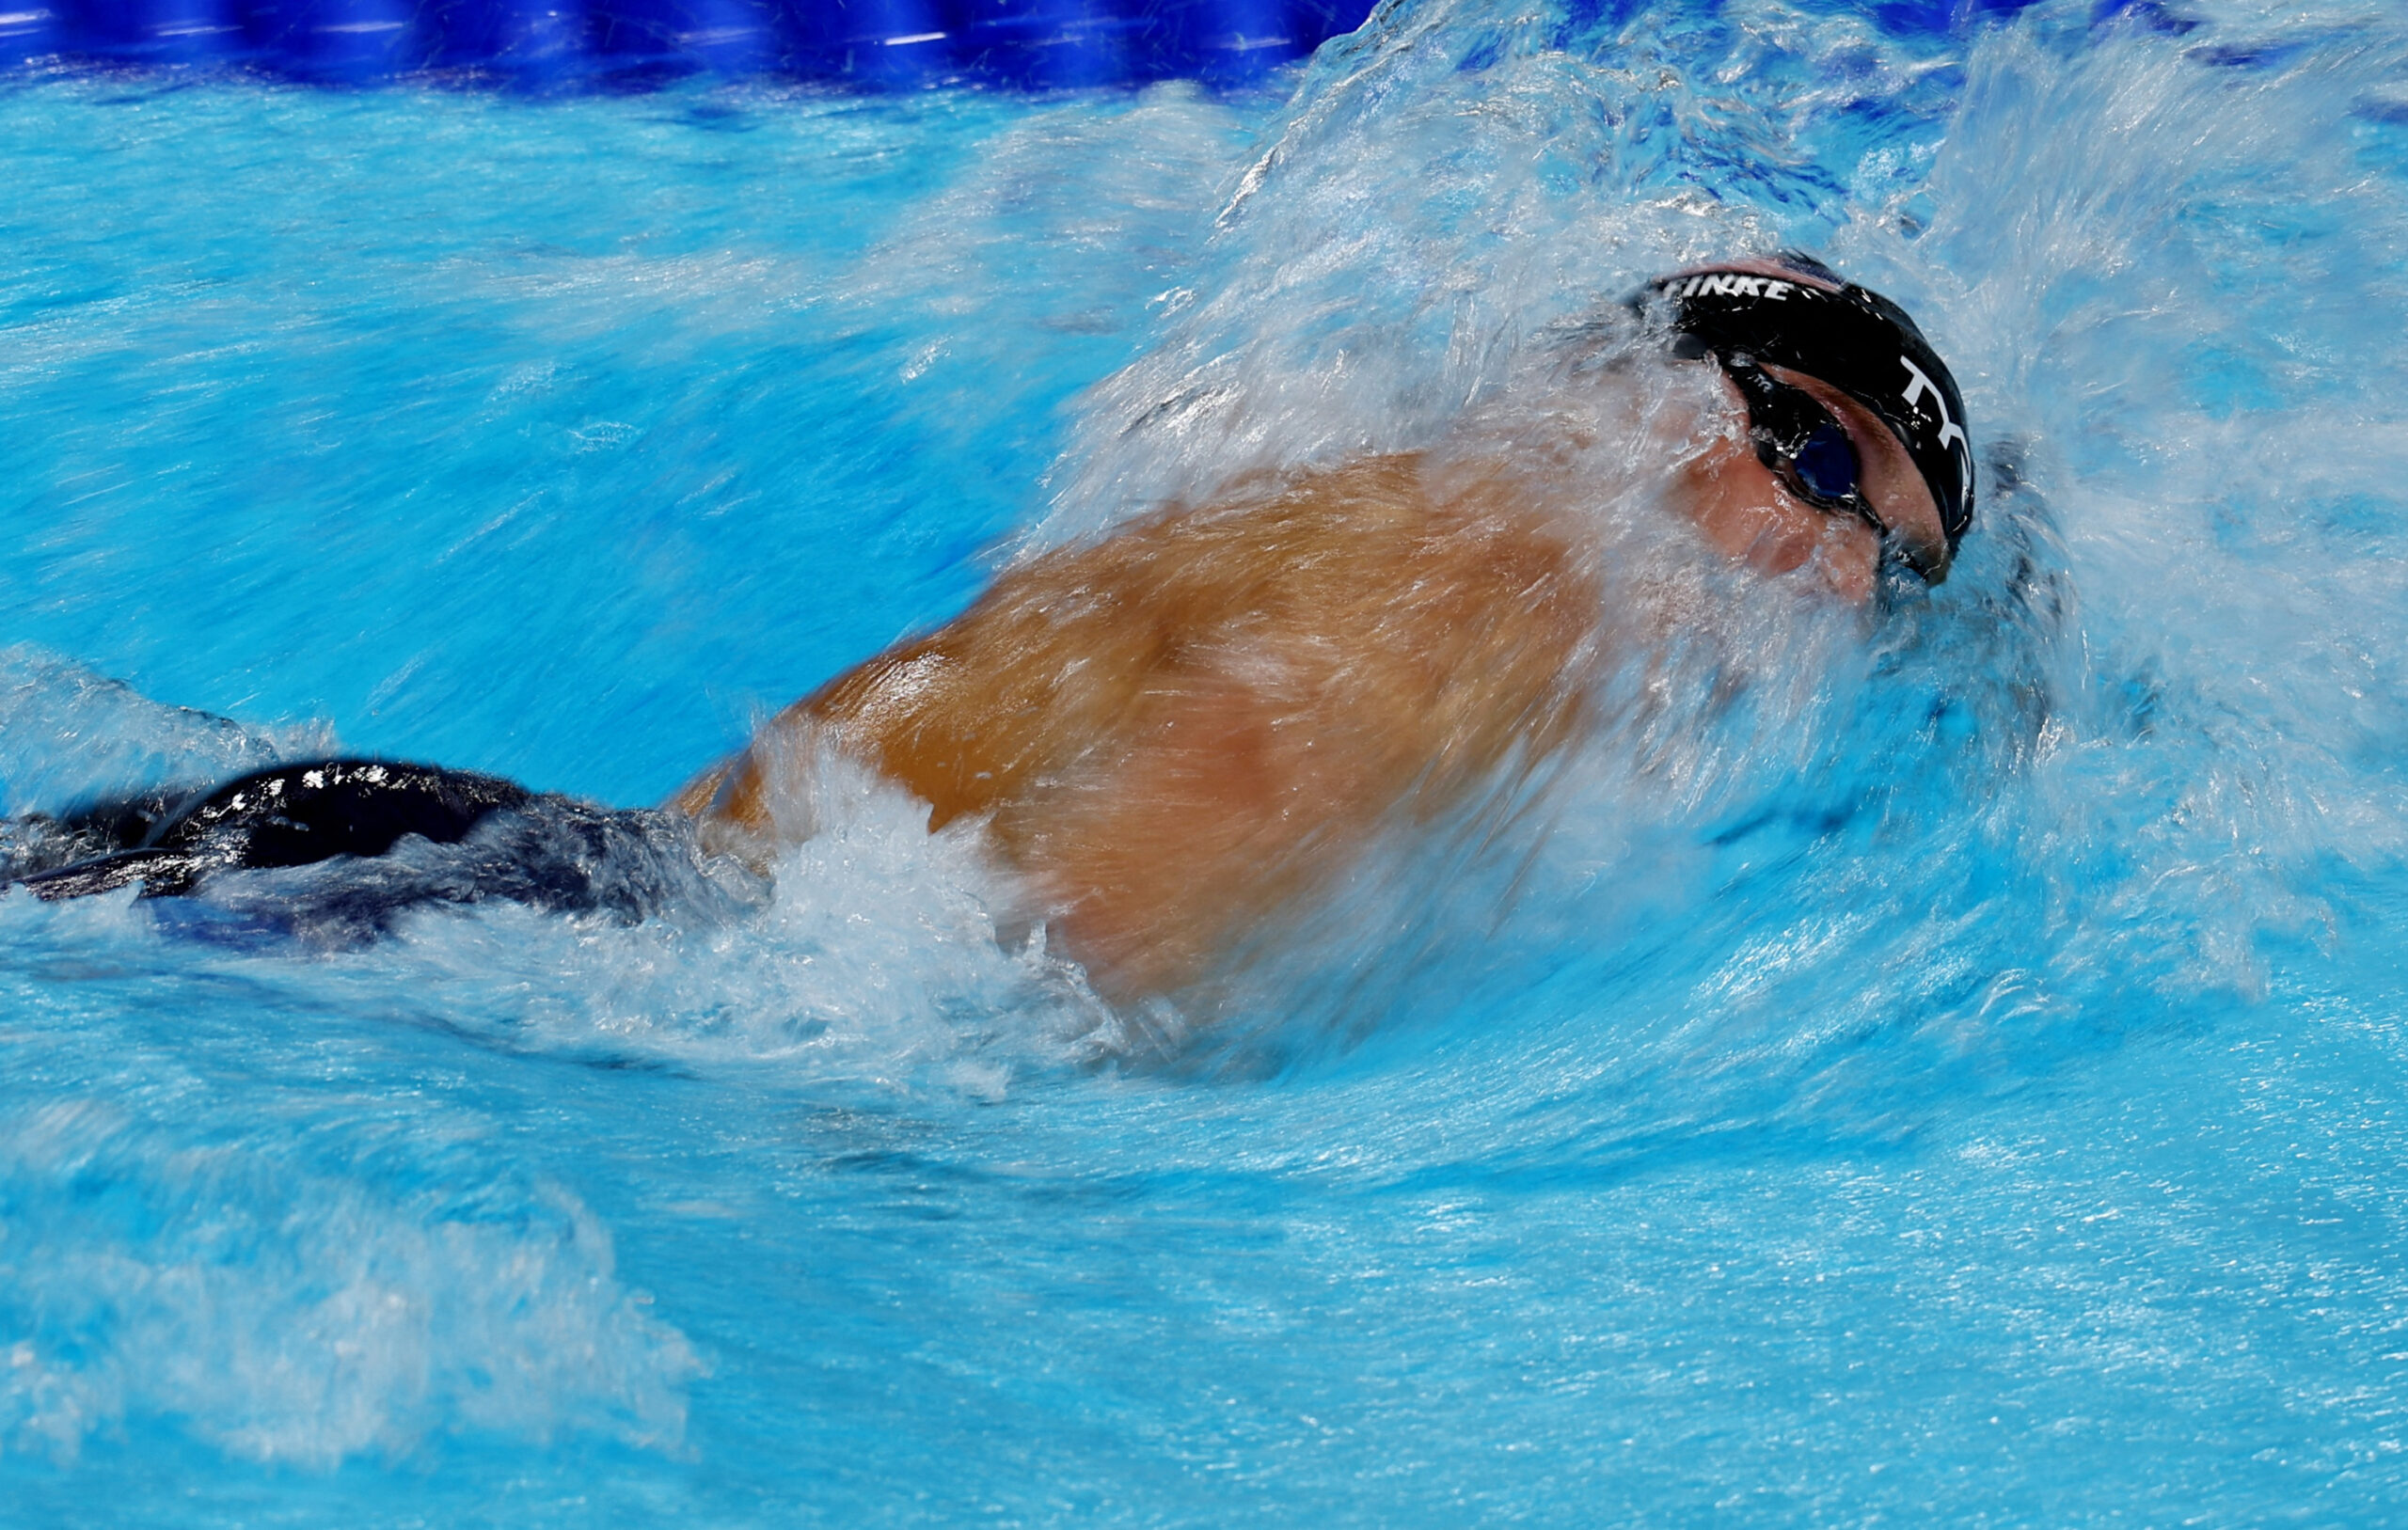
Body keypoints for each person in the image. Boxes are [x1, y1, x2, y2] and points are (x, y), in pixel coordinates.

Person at [2, 254, 1972, 1001]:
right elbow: (1143, 876)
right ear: (1651, 395)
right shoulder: (1520, 575)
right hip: (596, 944)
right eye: (1804, 459)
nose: (1822, 566)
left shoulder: (1431, 496)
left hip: (570, 883)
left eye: (1876, 546)